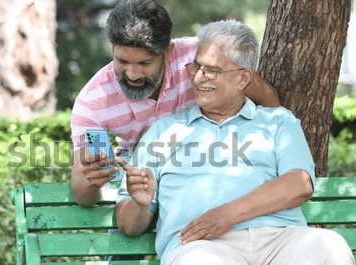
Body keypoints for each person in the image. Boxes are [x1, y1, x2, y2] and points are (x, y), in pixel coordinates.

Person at [115, 19, 356, 265]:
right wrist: (140, 203)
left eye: (213, 70)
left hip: (277, 241)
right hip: (199, 246)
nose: (199, 77)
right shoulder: (164, 131)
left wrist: (228, 214)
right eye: (197, 66)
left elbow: (299, 183)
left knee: (331, 251)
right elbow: (128, 225)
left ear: (243, 78)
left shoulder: (278, 122)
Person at [70, 0, 281, 206]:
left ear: (168, 51)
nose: (133, 74)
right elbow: (82, 191)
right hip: (141, 172)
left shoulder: (200, 58)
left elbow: (264, 95)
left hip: (209, 165)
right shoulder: (93, 102)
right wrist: (92, 181)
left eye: (145, 63)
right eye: (122, 61)